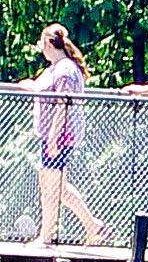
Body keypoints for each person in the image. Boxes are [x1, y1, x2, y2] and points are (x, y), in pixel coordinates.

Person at [25, 24, 114, 246]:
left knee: (51, 187)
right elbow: (40, 88)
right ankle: (94, 226)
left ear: (48, 43)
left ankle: (46, 237)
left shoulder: (65, 70)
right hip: (49, 135)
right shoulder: (54, 69)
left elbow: (62, 104)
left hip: (60, 136)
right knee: (56, 187)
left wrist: (54, 138)